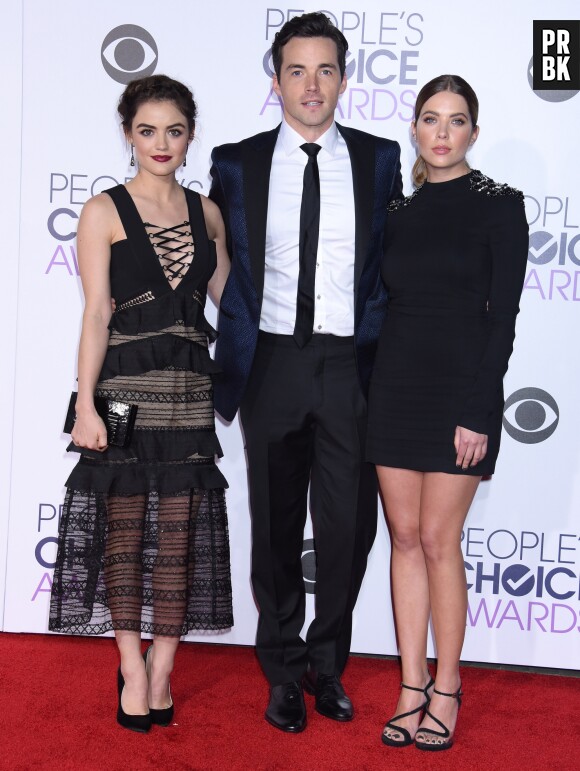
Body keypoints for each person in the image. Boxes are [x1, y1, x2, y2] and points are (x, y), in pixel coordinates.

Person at [209, 12, 402, 733]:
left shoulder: (381, 160)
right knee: (275, 527)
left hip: (353, 365)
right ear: (277, 80)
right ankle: (283, 671)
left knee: (349, 529)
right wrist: (240, 317)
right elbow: (218, 258)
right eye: (297, 70)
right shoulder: (237, 162)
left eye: (325, 70)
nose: (311, 84)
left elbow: (392, 264)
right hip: (274, 363)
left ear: (344, 79)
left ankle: (329, 666)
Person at [49, 75, 233, 733]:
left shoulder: (207, 214)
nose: (162, 143)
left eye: (175, 130)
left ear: (190, 136)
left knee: (178, 543)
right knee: (124, 538)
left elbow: (230, 308)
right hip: (123, 396)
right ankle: (131, 666)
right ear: (129, 134)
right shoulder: (102, 211)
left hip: (188, 399)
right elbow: (96, 313)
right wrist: (86, 407)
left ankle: (163, 666)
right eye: (148, 130)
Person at [366, 74, 529, 751]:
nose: (441, 132)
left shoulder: (499, 205)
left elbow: (503, 317)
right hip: (395, 386)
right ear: (415, 129)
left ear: (473, 132)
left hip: (462, 392)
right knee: (402, 538)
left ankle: (447, 685)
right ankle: (409, 684)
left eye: (455, 120)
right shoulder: (397, 211)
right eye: (430, 119)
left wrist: (476, 406)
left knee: (439, 539)